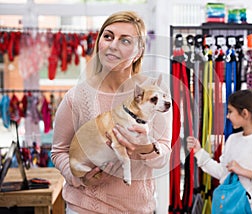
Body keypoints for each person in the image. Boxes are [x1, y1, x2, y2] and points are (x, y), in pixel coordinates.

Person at [51, 11, 172, 214]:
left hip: (138, 209)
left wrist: (146, 147)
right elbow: (58, 151)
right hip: (84, 209)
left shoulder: (156, 95)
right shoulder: (77, 97)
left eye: (125, 41)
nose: (113, 45)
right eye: (108, 36)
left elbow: (164, 155)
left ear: (139, 50)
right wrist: (78, 176)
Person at [187, 89, 252, 214]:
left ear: (244, 113)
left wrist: (243, 172)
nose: (227, 116)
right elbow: (222, 173)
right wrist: (199, 152)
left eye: (230, 111)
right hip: (226, 209)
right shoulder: (233, 139)